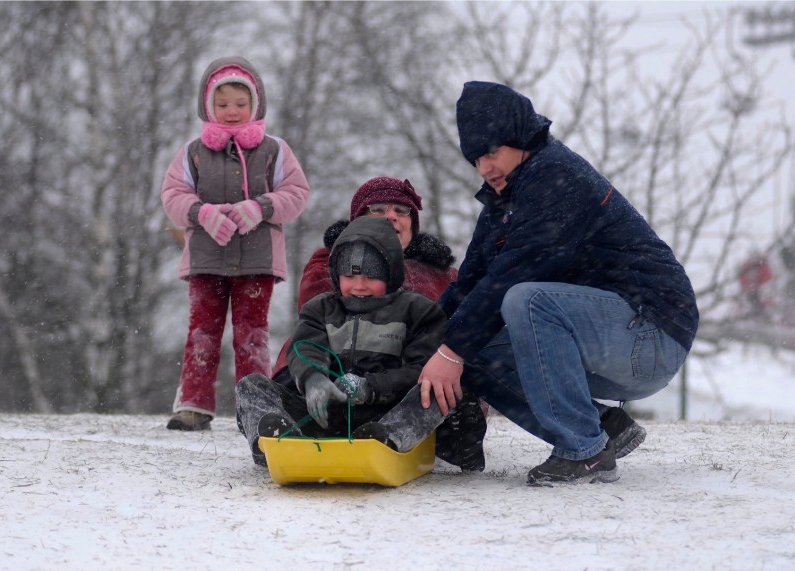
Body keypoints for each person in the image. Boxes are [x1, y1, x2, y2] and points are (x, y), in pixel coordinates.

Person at [417, 81, 699, 485]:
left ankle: (582, 449)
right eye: (476, 158)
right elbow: (470, 286)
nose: (485, 168)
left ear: (521, 137)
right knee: (476, 349)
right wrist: (424, 342)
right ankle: (603, 429)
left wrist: (449, 351)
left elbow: (509, 279)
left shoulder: (555, 179)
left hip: (654, 334)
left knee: (526, 301)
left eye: (492, 152)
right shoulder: (504, 202)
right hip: (608, 340)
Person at [270, 176, 487, 472]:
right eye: (378, 208)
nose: (390, 216)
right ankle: (275, 434)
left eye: (401, 209)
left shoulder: (440, 273)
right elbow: (317, 317)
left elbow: (461, 323)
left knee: (442, 379)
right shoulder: (329, 263)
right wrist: (314, 376)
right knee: (287, 363)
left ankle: (394, 437)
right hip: (336, 366)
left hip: (408, 371)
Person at [236, 216, 463, 466]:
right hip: (325, 415)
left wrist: (369, 387)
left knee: (433, 388)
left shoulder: (418, 310)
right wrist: (314, 379)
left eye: (371, 277)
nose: (359, 286)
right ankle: (278, 441)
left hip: (387, 414)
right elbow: (305, 348)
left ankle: (386, 442)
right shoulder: (319, 309)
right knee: (251, 385)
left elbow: (420, 369)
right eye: (350, 277)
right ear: (336, 274)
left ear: (391, 273)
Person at [160, 56, 310, 431]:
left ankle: (256, 408)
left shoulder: (275, 150)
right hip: (205, 260)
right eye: (222, 104)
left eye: (240, 104)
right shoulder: (193, 152)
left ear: (255, 104)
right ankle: (193, 405)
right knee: (202, 333)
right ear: (208, 105)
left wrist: (260, 208)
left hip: (257, 261)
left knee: (252, 335)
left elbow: (297, 193)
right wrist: (200, 213)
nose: (231, 112)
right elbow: (172, 195)